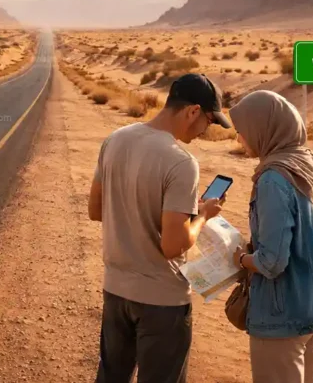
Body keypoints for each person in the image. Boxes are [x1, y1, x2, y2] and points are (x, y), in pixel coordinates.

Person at [88, 73, 231, 383]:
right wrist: (203, 215)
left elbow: (95, 210)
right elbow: (173, 245)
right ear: (193, 111)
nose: (206, 129)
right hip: (162, 301)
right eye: (209, 120)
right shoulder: (181, 162)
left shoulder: (115, 139)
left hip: (115, 291)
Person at [228, 90, 313, 383]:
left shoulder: (273, 178)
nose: (239, 138)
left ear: (263, 128)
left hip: (280, 317)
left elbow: (271, 263)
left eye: (242, 131)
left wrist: (241, 259)